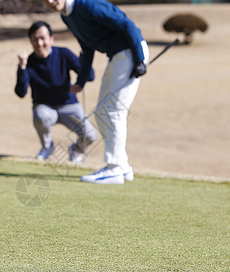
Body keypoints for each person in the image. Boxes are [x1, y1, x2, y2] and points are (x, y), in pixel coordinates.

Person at [42, 0, 149, 184]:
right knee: (102, 112)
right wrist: (81, 81)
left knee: (113, 111)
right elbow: (87, 47)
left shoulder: (86, 5)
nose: (51, 2)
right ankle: (122, 167)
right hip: (118, 56)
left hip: (130, 52)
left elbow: (127, 24)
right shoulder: (67, 16)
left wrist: (139, 59)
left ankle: (114, 168)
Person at [14, 21, 97, 163]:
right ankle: (47, 147)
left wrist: (84, 62)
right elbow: (21, 92)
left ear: (51, 39)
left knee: (90, 135)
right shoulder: (29, 62)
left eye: (43, 38)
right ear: (30, 41)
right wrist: (22, 68)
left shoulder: (64, 54)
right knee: (40, 115)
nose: (39, 43)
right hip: (45, 107)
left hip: (69, 105)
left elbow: (90, 76)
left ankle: (76, 150)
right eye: (35, 39)